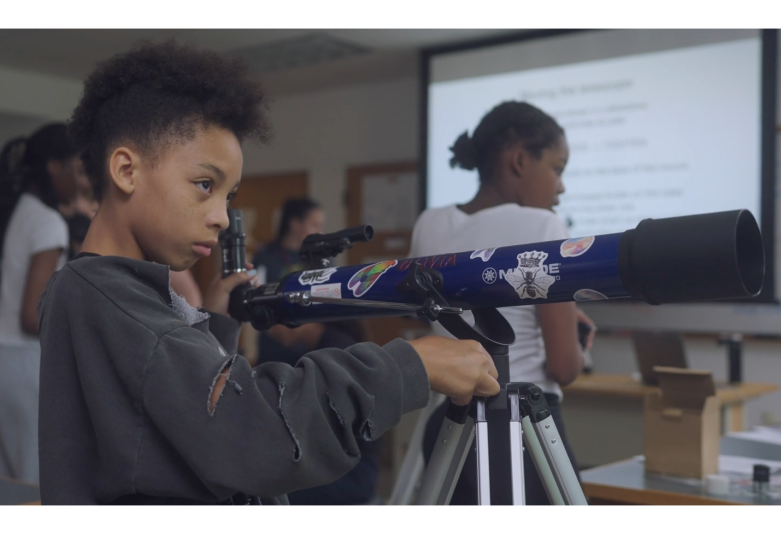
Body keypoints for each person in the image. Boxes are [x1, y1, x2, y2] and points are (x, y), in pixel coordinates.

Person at [37, 40, 500, 506]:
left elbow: (156, 428)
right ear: (125, 170)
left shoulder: (91, 289)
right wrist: (410, 365)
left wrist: (214, 328)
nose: (220, 216)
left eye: (228, 196)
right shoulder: (113, 299)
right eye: (204, 185)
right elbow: (250, 432)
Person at [410, 101, 594, 506]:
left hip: (449, 424)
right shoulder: (544, 226)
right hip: (524, 429)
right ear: (520, 160)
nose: (560, 187)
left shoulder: (429, 222)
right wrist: (580, 345)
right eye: (558, 168)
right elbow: (564, 368)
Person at [0, 124, 80, 484]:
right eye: (77, 170)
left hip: (5, 359)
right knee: (36, 481)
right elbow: (33, 315)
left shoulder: (21, 211)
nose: (82, 182)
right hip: (23, 365)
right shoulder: (48, 222)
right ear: (54, 167)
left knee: (9, 483)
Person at [253, 198, 326, 365]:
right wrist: (276, 329)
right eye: (315, 225)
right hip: (274, 350)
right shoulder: (266, 256)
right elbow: (256, 299)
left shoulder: (321, 258)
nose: (320, 232)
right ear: (295, 224)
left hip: (313, 351)